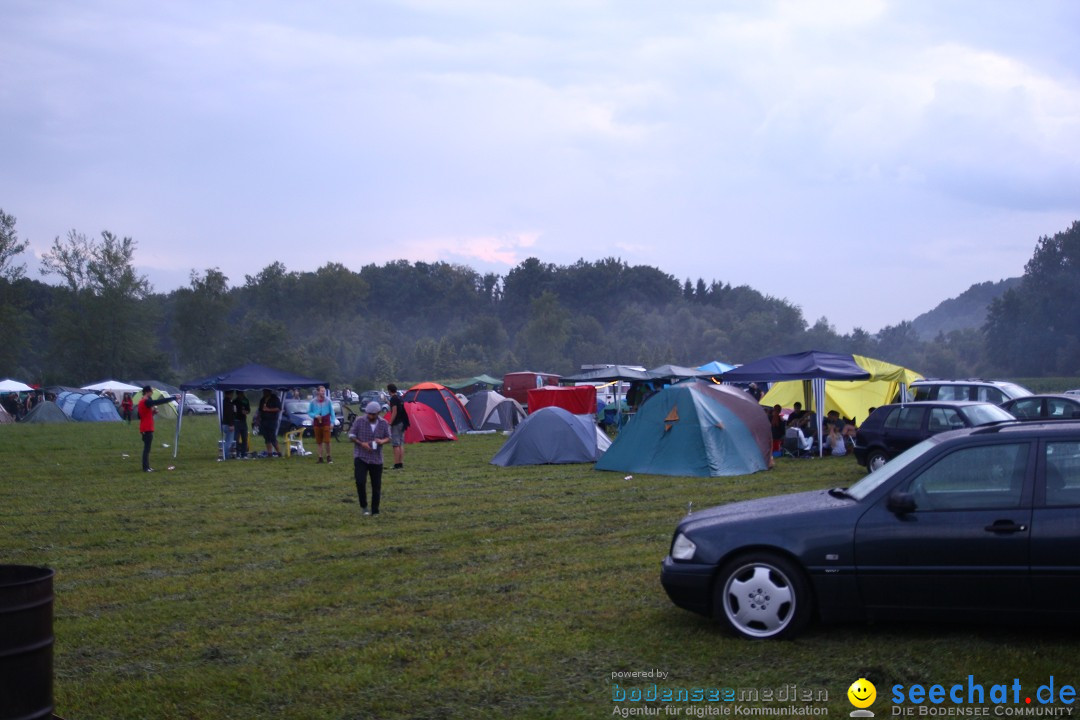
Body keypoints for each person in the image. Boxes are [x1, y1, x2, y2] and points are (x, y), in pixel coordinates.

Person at [349, 401, 390, 516]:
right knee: (360, 481)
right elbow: (351, 435)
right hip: (361, 456)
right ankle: (364, 506)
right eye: (369, 414)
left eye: (373, 414)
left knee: (376, 485)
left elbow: (389, 437)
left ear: (378, 413)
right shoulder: (359, 421)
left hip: (376, 459)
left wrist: (382, 441)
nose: (370, 416)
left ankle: (375, 510)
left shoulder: (384, 423)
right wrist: (361, 443)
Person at [137, 385, 178, 472]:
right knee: (147, 449)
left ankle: (147, 467)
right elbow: (159, 401)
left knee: (147, 448)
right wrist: (173, 398)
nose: (152, 393)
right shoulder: (146, 401)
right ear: (147, 392)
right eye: (151, 391)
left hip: (146, 427)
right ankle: (145, 468)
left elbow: (142, 415)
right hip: (146, 428)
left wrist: (153, 412)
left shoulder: (142, 402)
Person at [308, 385, 336, 464]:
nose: (323, 393)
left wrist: (332, 422)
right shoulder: (313, 402)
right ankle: (320, 457)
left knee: (327, 441)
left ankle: (328, 456)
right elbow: (309, 412)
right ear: (318, 392)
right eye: (322, 391)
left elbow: (332, 412)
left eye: (324, 391)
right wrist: (315, 415)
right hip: (317, 422)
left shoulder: (328, 401)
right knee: (319, 441)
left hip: (326, 421)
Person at [386, 383, 409, 469]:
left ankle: (396, 464)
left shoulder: (394, 399)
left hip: (396, 423)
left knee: (395, 444)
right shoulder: (400, 398)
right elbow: (396, 407)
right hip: (402, 422)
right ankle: (401, 463)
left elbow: (394, 411)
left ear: (389, 391)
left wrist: (390, 423)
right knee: (400, 444)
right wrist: (387, 402)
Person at [258, 388, 282, 457]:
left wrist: (268, 410)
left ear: (269, 392)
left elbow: (278, 408)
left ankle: (279, 452)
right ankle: (269, 453)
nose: (264, 393)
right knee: (266, 438)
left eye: (265, 391)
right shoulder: (262, 400)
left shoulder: (275, 399)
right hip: (264, 421)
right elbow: (260, 410)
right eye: (263, 391)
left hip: (272, 421)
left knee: (272, 437)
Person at [233, 391, 251, 458]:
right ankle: (237, 453)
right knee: (236, 438)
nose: (242, 395)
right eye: (241, 393)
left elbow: (248, 410)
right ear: (238, 394)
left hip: (243, 421)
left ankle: (244, 454)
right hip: (236, 421)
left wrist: (246, 412)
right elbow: (233, 411)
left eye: (243, 393)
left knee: (244, 438)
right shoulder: (234, 401)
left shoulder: (246, 400)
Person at [220, 390, 236, 460]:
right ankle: (226, 456)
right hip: (228, 424)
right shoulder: (229, 403)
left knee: (227, 440)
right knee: (229, 441)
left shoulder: (222, 402)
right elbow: (229, 414)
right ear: (230, 394)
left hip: (224, 423)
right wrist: (231, 424)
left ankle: (225, 454)